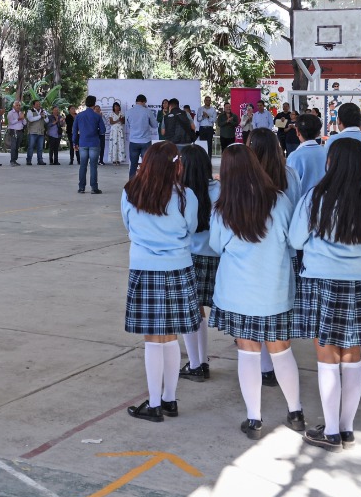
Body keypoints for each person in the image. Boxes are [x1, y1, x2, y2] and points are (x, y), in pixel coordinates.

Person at [289, 138, 361, 452]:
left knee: (326, 356)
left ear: (330, 163)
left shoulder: (315, 198)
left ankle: (330, 431)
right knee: (352, 356)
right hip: (359, 282)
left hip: (320, 281)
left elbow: (296, 239)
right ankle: (347, 429)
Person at [207, 143, 305, 439]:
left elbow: (216, 245)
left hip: (237, 292)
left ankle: (254, 419)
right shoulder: (279, 199)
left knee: (248, 355)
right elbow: (293, 242)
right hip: (274, 289)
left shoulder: (224, 207)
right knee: (282, 352)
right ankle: (296, 412)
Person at [120, 141, 198, 423]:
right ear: (176, 165)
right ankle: (169, 400)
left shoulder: (130, 193)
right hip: (178, 267)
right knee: (170, 337)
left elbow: (128, 226)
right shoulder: (185, 196)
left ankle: (154, 404)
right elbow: (190, 229)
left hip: (144, 268)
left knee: (153, 339)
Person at [178, 144, 217, 382]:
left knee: (192, 313)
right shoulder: (220, 189)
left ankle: (197, 363)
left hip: (190, 257)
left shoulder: (180, 194)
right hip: (219, 257)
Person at [287, 113, 327, 204]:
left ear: (297, 131)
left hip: (302, 206)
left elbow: (290, 188)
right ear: (318, 133)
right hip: (325, 205)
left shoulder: (294, 156)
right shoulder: (327, 153)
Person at [74, 95, 105, 194]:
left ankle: (81, 187)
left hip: (82, 143)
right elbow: (103, 130)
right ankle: (94, 188)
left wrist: (74, 142)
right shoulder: (97, 116)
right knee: (93, 166)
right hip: (94, 143)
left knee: (83, 165)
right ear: (94, 103)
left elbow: (74, 130)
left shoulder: (79, 115)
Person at [125, 94, 155, 177]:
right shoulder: (148, 111)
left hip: (133, 141)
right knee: (146, 166)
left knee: (133, 166)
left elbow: (128, 126)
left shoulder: (128, 112)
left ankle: (131, 187)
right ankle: (146, 186)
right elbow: (155, 125)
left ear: (136, 101)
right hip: (145, 141)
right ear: (144, 102)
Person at [105, 101, 127, 165]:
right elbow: (111, 122)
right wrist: (118, 120)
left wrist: (122, 119)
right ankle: (114, 160)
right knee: (114, 145)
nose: (116, 107)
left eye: (117, 106)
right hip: (114, 131)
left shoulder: (122, 113)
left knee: (120, 144)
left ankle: (120, 159)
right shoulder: (111, 113)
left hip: (120, 131)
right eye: (115, 106)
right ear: (113, 107)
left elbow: (123, 122)